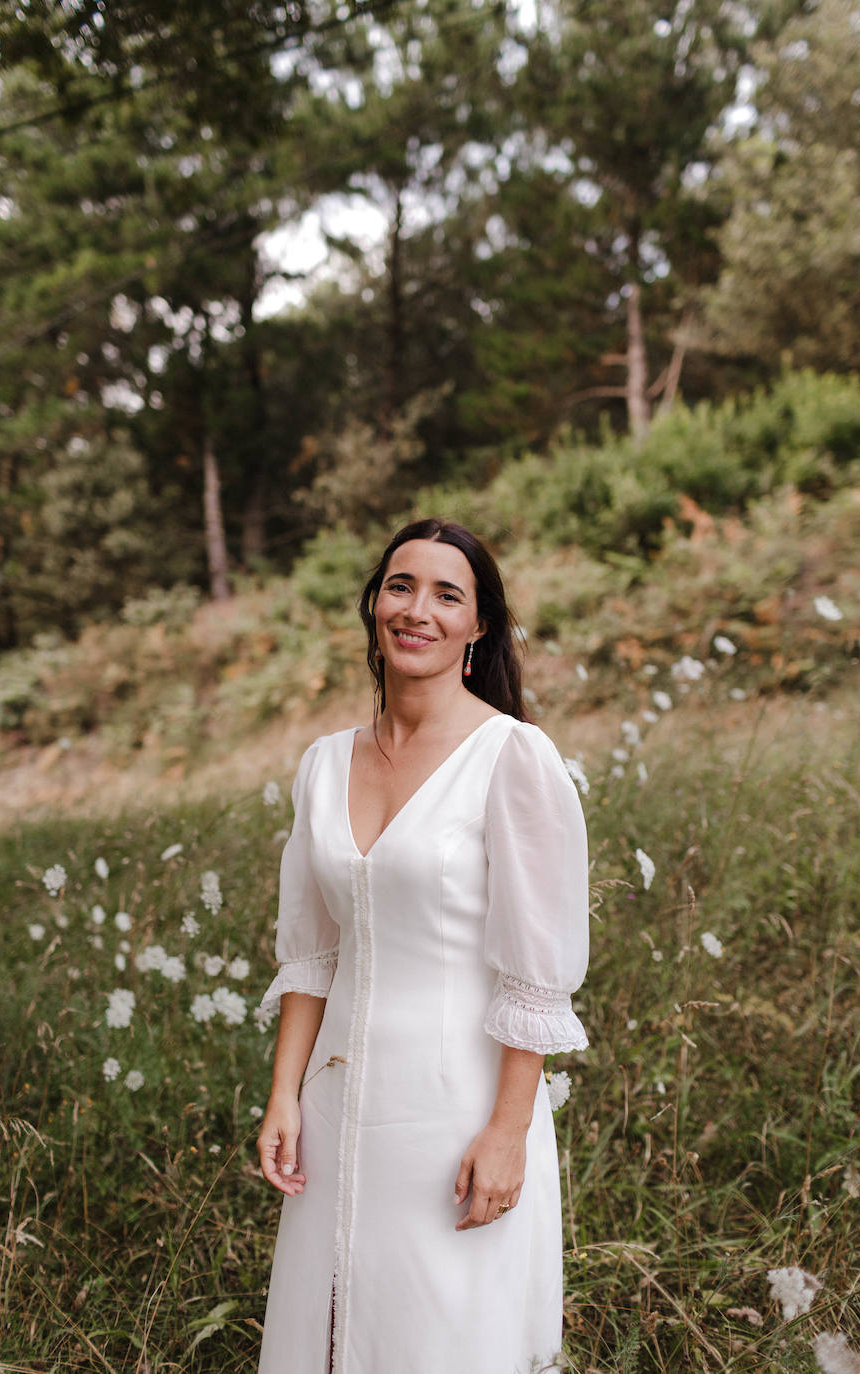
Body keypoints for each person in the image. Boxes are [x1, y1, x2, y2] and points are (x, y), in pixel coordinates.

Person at [256, 518, 590, 1374]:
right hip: (333, 1114)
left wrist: (508, 1131)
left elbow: (536, 976)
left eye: (449, 595)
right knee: (327, 1337)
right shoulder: (324, 764)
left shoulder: (512, 758)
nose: (419, 610)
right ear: (375, 606)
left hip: (458, 1115)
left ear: (479, 627)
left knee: (442, 1338)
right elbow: (312, 954)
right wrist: (284, 1094)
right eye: (402, 587)